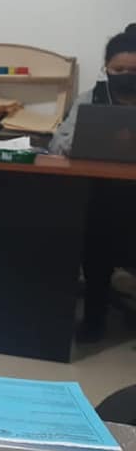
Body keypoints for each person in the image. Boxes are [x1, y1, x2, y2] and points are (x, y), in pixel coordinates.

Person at [50, 23, 136, 342]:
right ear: (106, 69)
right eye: (119, 69)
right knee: (96, 241)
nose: (126, 75)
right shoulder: (91, 98)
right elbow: (57, 143)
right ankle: (94, 318)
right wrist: (79, 143)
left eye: (134, 70)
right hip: (101, 196)